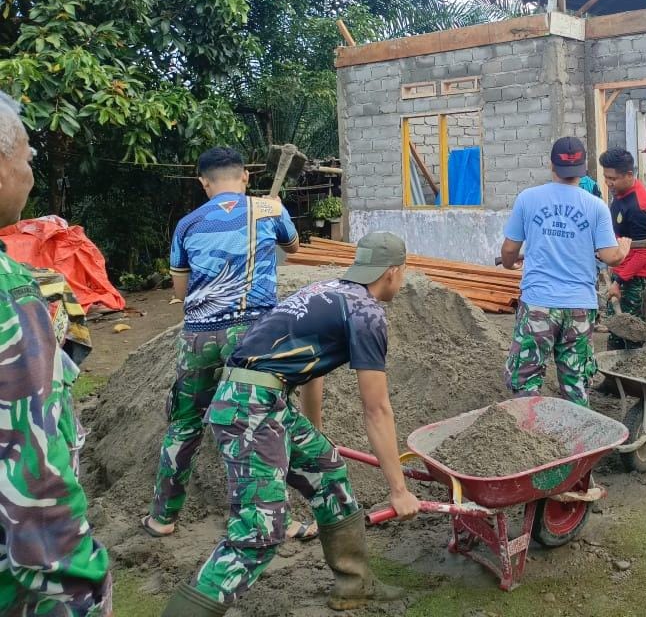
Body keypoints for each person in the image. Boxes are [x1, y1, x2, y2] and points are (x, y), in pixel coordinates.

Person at [161, 232, 421, 616]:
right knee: (259, 534)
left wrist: (313, 434)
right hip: (250, 408)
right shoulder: (366, 312)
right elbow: (377, 409)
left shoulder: (326, 292)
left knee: (327, 469)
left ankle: (355, 586)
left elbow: (311, 368)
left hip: (257, 397)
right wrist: (398, 490)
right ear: (395, 272)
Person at [143, 147, 301, 538]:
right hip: (255, 336)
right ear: (245, 175)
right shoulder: (268, 210)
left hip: (199, 336)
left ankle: (163, 518)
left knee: (183, 424)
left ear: (203, 182)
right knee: (265, 423)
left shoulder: (187, 225)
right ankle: (278, 518)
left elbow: (180, 292)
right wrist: (276, 208)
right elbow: (293, 248)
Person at [0, 90, 112, 616]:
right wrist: (82, 593)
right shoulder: (11, 292)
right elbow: (32, 477)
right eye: (25, 160)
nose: (29, 174)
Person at [501, 137, 631, 406]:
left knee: (526, 379)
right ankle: (577, 444)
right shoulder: (595, 206)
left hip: (538, 303)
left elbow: (510, 248)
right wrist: (624, 248)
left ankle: (531, 437)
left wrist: (509, 263)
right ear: (583, 168)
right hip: (579, 308)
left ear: (551, 164)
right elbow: (610, 256)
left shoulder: (528, 198)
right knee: (576, 383)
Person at [598, 147, 646, 350]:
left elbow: (644, 252)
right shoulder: (621, 193)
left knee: (630, 331)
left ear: (628, 175)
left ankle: (632, 377)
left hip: (639, 276)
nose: (609, 183)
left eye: (613, 178)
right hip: (624, 269)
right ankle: (615, 378)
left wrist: (618, 281)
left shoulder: (639, 207)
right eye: (606, 177)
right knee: (616, 327)